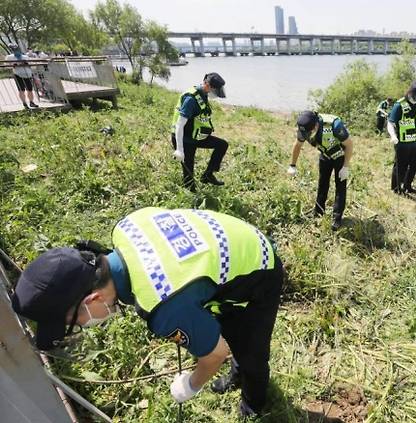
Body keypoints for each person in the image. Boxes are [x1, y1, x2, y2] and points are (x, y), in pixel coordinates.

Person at [10, 207, 284, 418]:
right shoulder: (127, 226)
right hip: (228, 247)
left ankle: (254, 404)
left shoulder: (163, 307)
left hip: (259, 266)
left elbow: (214, 354)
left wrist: (191, 384)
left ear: (93, 299)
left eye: (76, 321)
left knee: (251, 350)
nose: (83, 325)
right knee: (229, 328)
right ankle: (239, 374)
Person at [287, 111, 353, 231]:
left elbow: (349, 145)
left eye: (309, 132)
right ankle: (318, 211)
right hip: (325, 155)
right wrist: (292, 165)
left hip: (340, 156)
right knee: (322, 183)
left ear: (316, 126)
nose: (307, 135)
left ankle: (337, 218)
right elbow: (297, 145)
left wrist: (345, 166)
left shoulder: (334, 126)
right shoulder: (304, 130)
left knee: (340, 186)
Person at [171, 73, 229, 192]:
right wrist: (179, 149)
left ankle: (208, 175)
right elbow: (179, 125)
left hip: (196, 136)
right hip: (185, 139)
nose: (216, 93)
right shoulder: (191, 99)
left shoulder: (203, 94)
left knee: (222, 145)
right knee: (188, 174)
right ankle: (191, 199)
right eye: (216, 90)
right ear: (207, 85)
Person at [388, 81, 416, 194]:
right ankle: (396, 188)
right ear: (410, 93)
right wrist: (393, 136)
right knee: (400, 166)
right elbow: (390, 123)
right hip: (402, 141)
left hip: (414, 140)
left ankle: (407, 186)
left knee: (415, 164)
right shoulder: (399, 105)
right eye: (415, 97)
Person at [5, 44, 38, 109]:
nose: (15, 50)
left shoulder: (25, 56)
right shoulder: (9, 57)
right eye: (14, 49)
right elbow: (6, 66)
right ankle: (24, 103)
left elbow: (32, 64)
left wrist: (27, 64)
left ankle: (31, 102)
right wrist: (14, 65)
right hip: (18, 75)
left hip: (27, 74)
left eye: (16, 49)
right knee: (21, 90)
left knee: (30, 89)